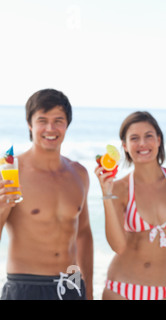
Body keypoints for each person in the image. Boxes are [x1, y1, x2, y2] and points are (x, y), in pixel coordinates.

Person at [0, 89, 93, 300]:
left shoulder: (79, 173)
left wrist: (88, 291)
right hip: (26, 286)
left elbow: (84, 234)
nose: (50, 128)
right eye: (42, 120)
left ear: (67, 124)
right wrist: (2, 207)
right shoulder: (10, 172)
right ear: (30, 124)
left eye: (58, 120)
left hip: (71, 286)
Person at [96, 111, 166, 300]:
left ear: (159, 140)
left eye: (148, 136)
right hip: (121, 289)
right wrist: (107, 195)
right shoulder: (120, 188)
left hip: (165, 291)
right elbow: (118, 246)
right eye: (134, 138)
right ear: (125, 146)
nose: (142, 144)